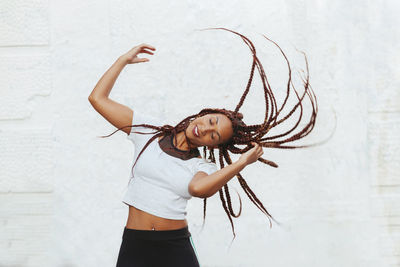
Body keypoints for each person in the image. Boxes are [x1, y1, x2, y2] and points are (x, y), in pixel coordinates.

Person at [89, 27, 319, 267]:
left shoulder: (202, 166)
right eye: (211, 121)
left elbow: (198, 189)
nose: (206, 129)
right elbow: (98, 99)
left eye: (214, 136)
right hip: (135, 243)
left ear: (214, 145)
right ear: (207, 113)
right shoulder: (149, 131)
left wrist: (242, 163)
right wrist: (122, 61)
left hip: (174, 247)